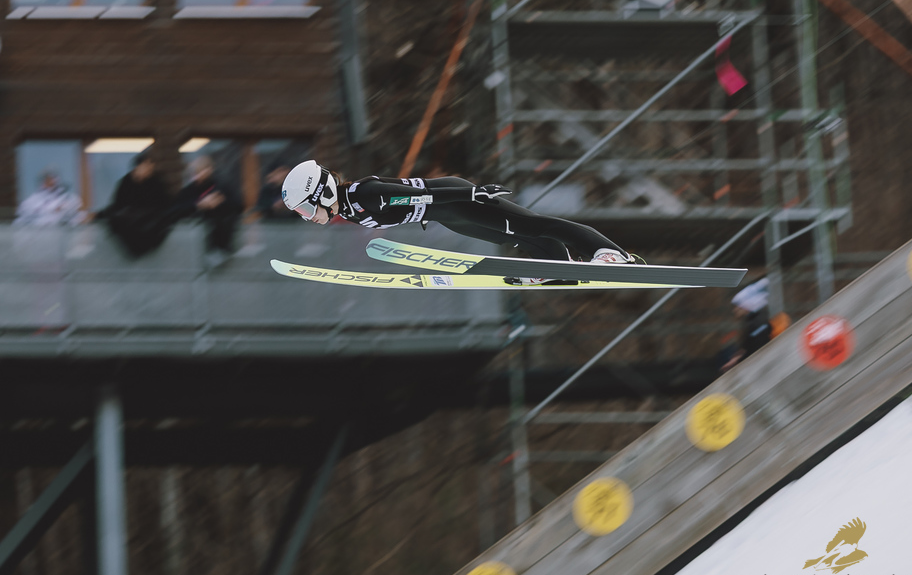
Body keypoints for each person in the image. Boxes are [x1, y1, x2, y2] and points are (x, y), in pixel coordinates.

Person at [280, 161, 634, 283]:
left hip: (452, 200)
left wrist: (472, 194)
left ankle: (612, 254)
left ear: (322, 192)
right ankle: (556, 265)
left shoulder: (365, 196)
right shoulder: (347, 208)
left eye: (307, 209)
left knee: (532, 224)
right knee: (509, 236)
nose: (309, 218)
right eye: (302, 214)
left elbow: (424, 197)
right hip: (446, 215)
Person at [172, 155, 243, 267]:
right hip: (195, 232)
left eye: (203, 170)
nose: (199, 175)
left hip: (219, 231)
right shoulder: (188, 191)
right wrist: (199, 205)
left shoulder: (221, 186)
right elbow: (177, 210)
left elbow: (239, 206)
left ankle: (220, 251)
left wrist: (220, 202)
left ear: (210, 170)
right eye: (196, 172)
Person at [101, 151, 174, 257]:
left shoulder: (157, 182)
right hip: (131, 222)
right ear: (138, 167)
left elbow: (165, 205)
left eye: (151, 167)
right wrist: (99, 215)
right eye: (147, 166)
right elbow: (117, 205)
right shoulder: (126, 182)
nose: (150, 170)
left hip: (149, 222)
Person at [720, 277, 771, 373]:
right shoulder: (751, 321)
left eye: (737, 307)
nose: (735, 310)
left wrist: (739, 359)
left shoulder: (758, 322)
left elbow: (755, 347)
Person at [14, 171, 87, 227]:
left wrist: (59, 210)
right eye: (47, 180)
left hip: (61, 235)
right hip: (38, 235)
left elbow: (77, 214)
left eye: (53, 180)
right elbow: (23, 212)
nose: (51, 183)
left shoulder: (68, 197)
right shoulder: (32, 199)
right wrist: (53, 210)